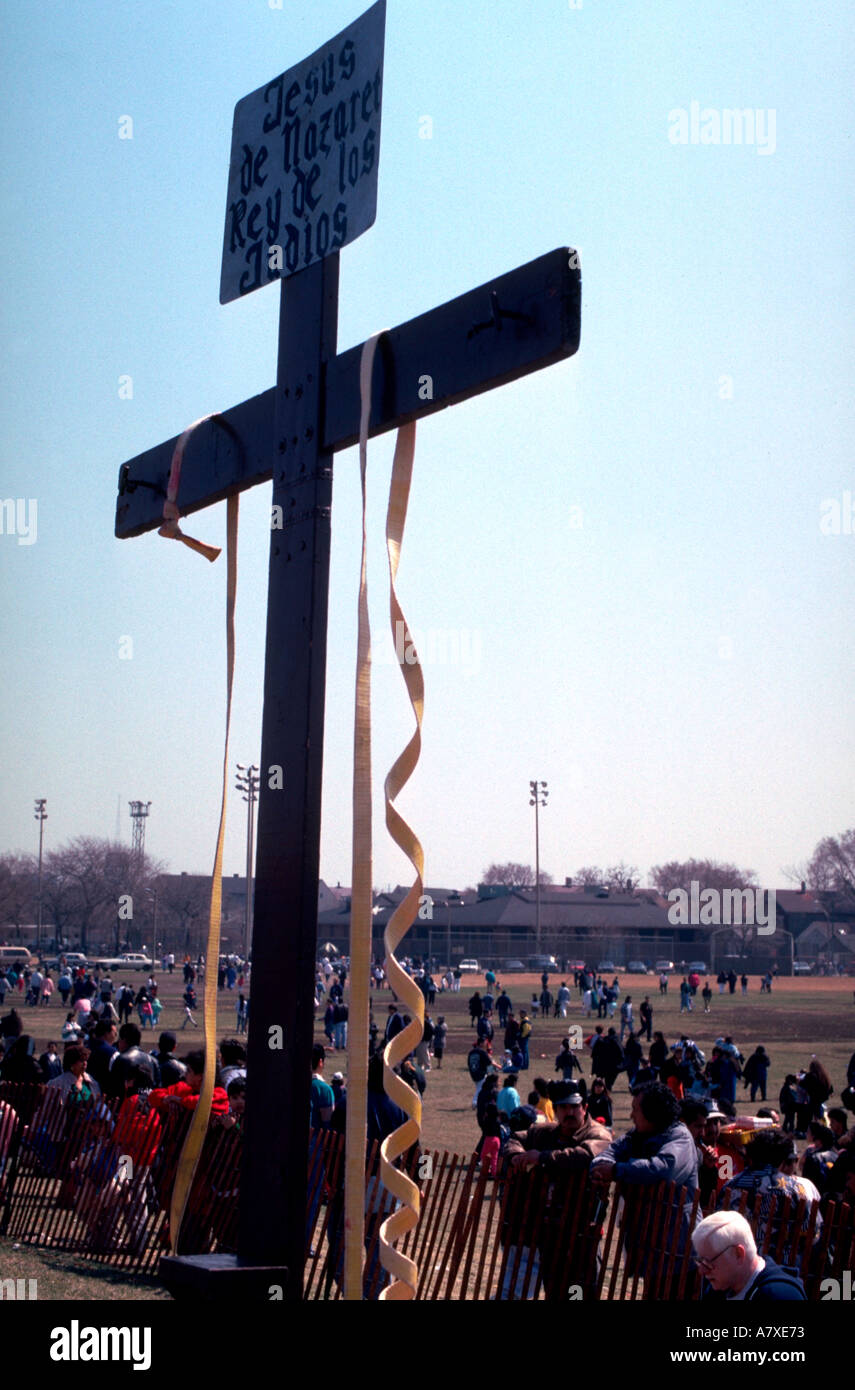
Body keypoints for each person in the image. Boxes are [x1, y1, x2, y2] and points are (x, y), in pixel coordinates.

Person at [503, 1081, 612, 1299]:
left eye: (574, 1106)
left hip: (581, 1233)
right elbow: (515, 1138)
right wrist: (517, 1157)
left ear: (584, 1107)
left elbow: (585, 1156)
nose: (569, 1112)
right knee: (555, 1289)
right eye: (563, 1107)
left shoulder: (598, 1134)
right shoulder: (546, 1132)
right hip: (551, 1233)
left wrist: (541, 1158)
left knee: (579, 1292)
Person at [717, 1127, 822, 1256]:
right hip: (784, 1264)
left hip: (740, 1262)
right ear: (782, 1158)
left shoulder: (731, 1185)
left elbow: (719, 1228)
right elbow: (812, 1233)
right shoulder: (795, 1188)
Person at [692, 1210, 806, 1300]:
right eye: (700, 1261)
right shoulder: (719, 1289)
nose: (702, 1271)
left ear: (738, 1254)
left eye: (709, 1262)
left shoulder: (780, 1295)